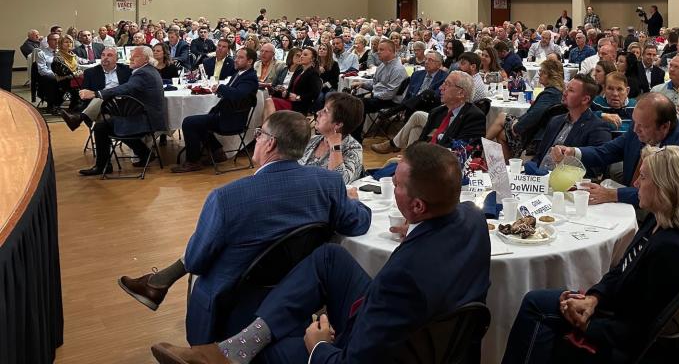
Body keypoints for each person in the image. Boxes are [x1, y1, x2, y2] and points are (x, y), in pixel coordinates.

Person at [150, 143, 490, 364]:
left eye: (398, 185)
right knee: (330, 257)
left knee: (276, 350)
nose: (394, 188)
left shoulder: (401, 280)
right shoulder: (471, 218)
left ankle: (236, 352)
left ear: (417, 204)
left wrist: (319, 346)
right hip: (426, 330)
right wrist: (415, 225)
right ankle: (242, 342)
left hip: (382, 349)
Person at [119, 111, 372, 346]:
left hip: (234, 299)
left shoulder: (226, 198)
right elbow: (357, 222)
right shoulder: (328, 183)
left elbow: (196, 262)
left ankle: (161, 288)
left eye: (260, 134)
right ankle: (157, 283)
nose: (256, 138)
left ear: (270, 143)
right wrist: (355, 203)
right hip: (296, 291)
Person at [501, 147, 679, 364]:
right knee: (537, 300)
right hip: (618, 312)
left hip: (634, 343)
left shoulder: (672, 250)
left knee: (536, 306)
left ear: (666, 188)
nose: (635, 184)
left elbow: (643, 328)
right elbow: (622, 269)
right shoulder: (658, 222)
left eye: (643, 177)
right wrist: (594, 299)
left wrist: (587, 325)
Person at [552, 93, 679, 206]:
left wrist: (612, 194)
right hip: (629, 202)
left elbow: (664, 192)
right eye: (634, 122)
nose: (636, 130)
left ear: (664, 127)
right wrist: (573, 152)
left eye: (643, 126)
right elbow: (608, 151)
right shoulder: (638, 127)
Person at [74, 45, 166, 176]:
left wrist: (96, 93)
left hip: (146, 119)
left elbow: (125, 88)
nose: (131, 58)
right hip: (144, 115)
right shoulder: (147, 70)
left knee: (102, 127)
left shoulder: (143, 73)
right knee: (110, 124)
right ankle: (145, 153)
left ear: (146, 59)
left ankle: (103, 166)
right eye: (131, 55)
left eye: (136, 56)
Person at [173, 47, 261, 174]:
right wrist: (220, 89)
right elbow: (230, 93)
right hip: (226, 114)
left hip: (232, 120)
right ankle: (217, 152)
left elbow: (238, 95)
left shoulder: (250, 78)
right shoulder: (239, 73)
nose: (236, 60)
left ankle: (193, 162)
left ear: (250, 61)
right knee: (199, 120)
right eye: (236, 57)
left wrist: (220, 88)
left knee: (189, 122)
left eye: (240, 57)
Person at [531, 74, 609, 175]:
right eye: (566, 88)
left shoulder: (598, 128)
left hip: (565, 183)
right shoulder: (555, 121)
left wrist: (566, 162)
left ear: (585, 99)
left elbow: (595, 169)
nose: (564, 93)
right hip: (539, 178)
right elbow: (539, 155)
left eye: (571, 90)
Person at [486, 59, 564, 159]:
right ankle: (507, 165)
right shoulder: (558, 91)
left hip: (532, 135)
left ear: (551, 76)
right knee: (501, 133)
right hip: (537, 131)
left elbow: (534, 115)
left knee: (501, 117)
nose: (539, 74)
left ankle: (479, 147)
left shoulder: (550, 94)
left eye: (543, 72)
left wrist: (516, 127)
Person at [299, 92, 365, 185]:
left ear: (338, 124)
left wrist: (335, 146)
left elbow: (338, 182)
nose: (318, 113)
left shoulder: (353, 148)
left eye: (325, 111)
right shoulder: (313, 140)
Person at [417, 70, 487, 148]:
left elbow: (462, 151)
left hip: (445, 158)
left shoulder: (474, 117)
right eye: (443, 83)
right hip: (425, 156)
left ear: (461, 93)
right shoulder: (436, 112)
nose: (441, 88)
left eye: (447, 84)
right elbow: (421, 141)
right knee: (415, 131)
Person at [269, 46, 322, 115]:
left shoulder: (313, 73)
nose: (301, 56)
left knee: (270, 101)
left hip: (300, 105)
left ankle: (267, 125)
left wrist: (298, 97)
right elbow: (292, 89)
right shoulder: (299, 71)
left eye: (305, 55)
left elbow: (315, 93)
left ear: (312, 59)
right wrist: (284, 91)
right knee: (270, 99)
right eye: (302, 54)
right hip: (290, 100)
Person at [51, 33, 83, 110]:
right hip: (63, 79)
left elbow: (78, 68)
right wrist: (74, 74)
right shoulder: (58, 56)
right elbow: (61, 72)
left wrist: (77, 73)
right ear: (61, 44)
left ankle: (80, 105)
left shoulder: (73, 55)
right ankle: (75, 106)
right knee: (78, 86)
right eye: (66, 42)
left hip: (75, 78)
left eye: (70, 42)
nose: (69, 44)